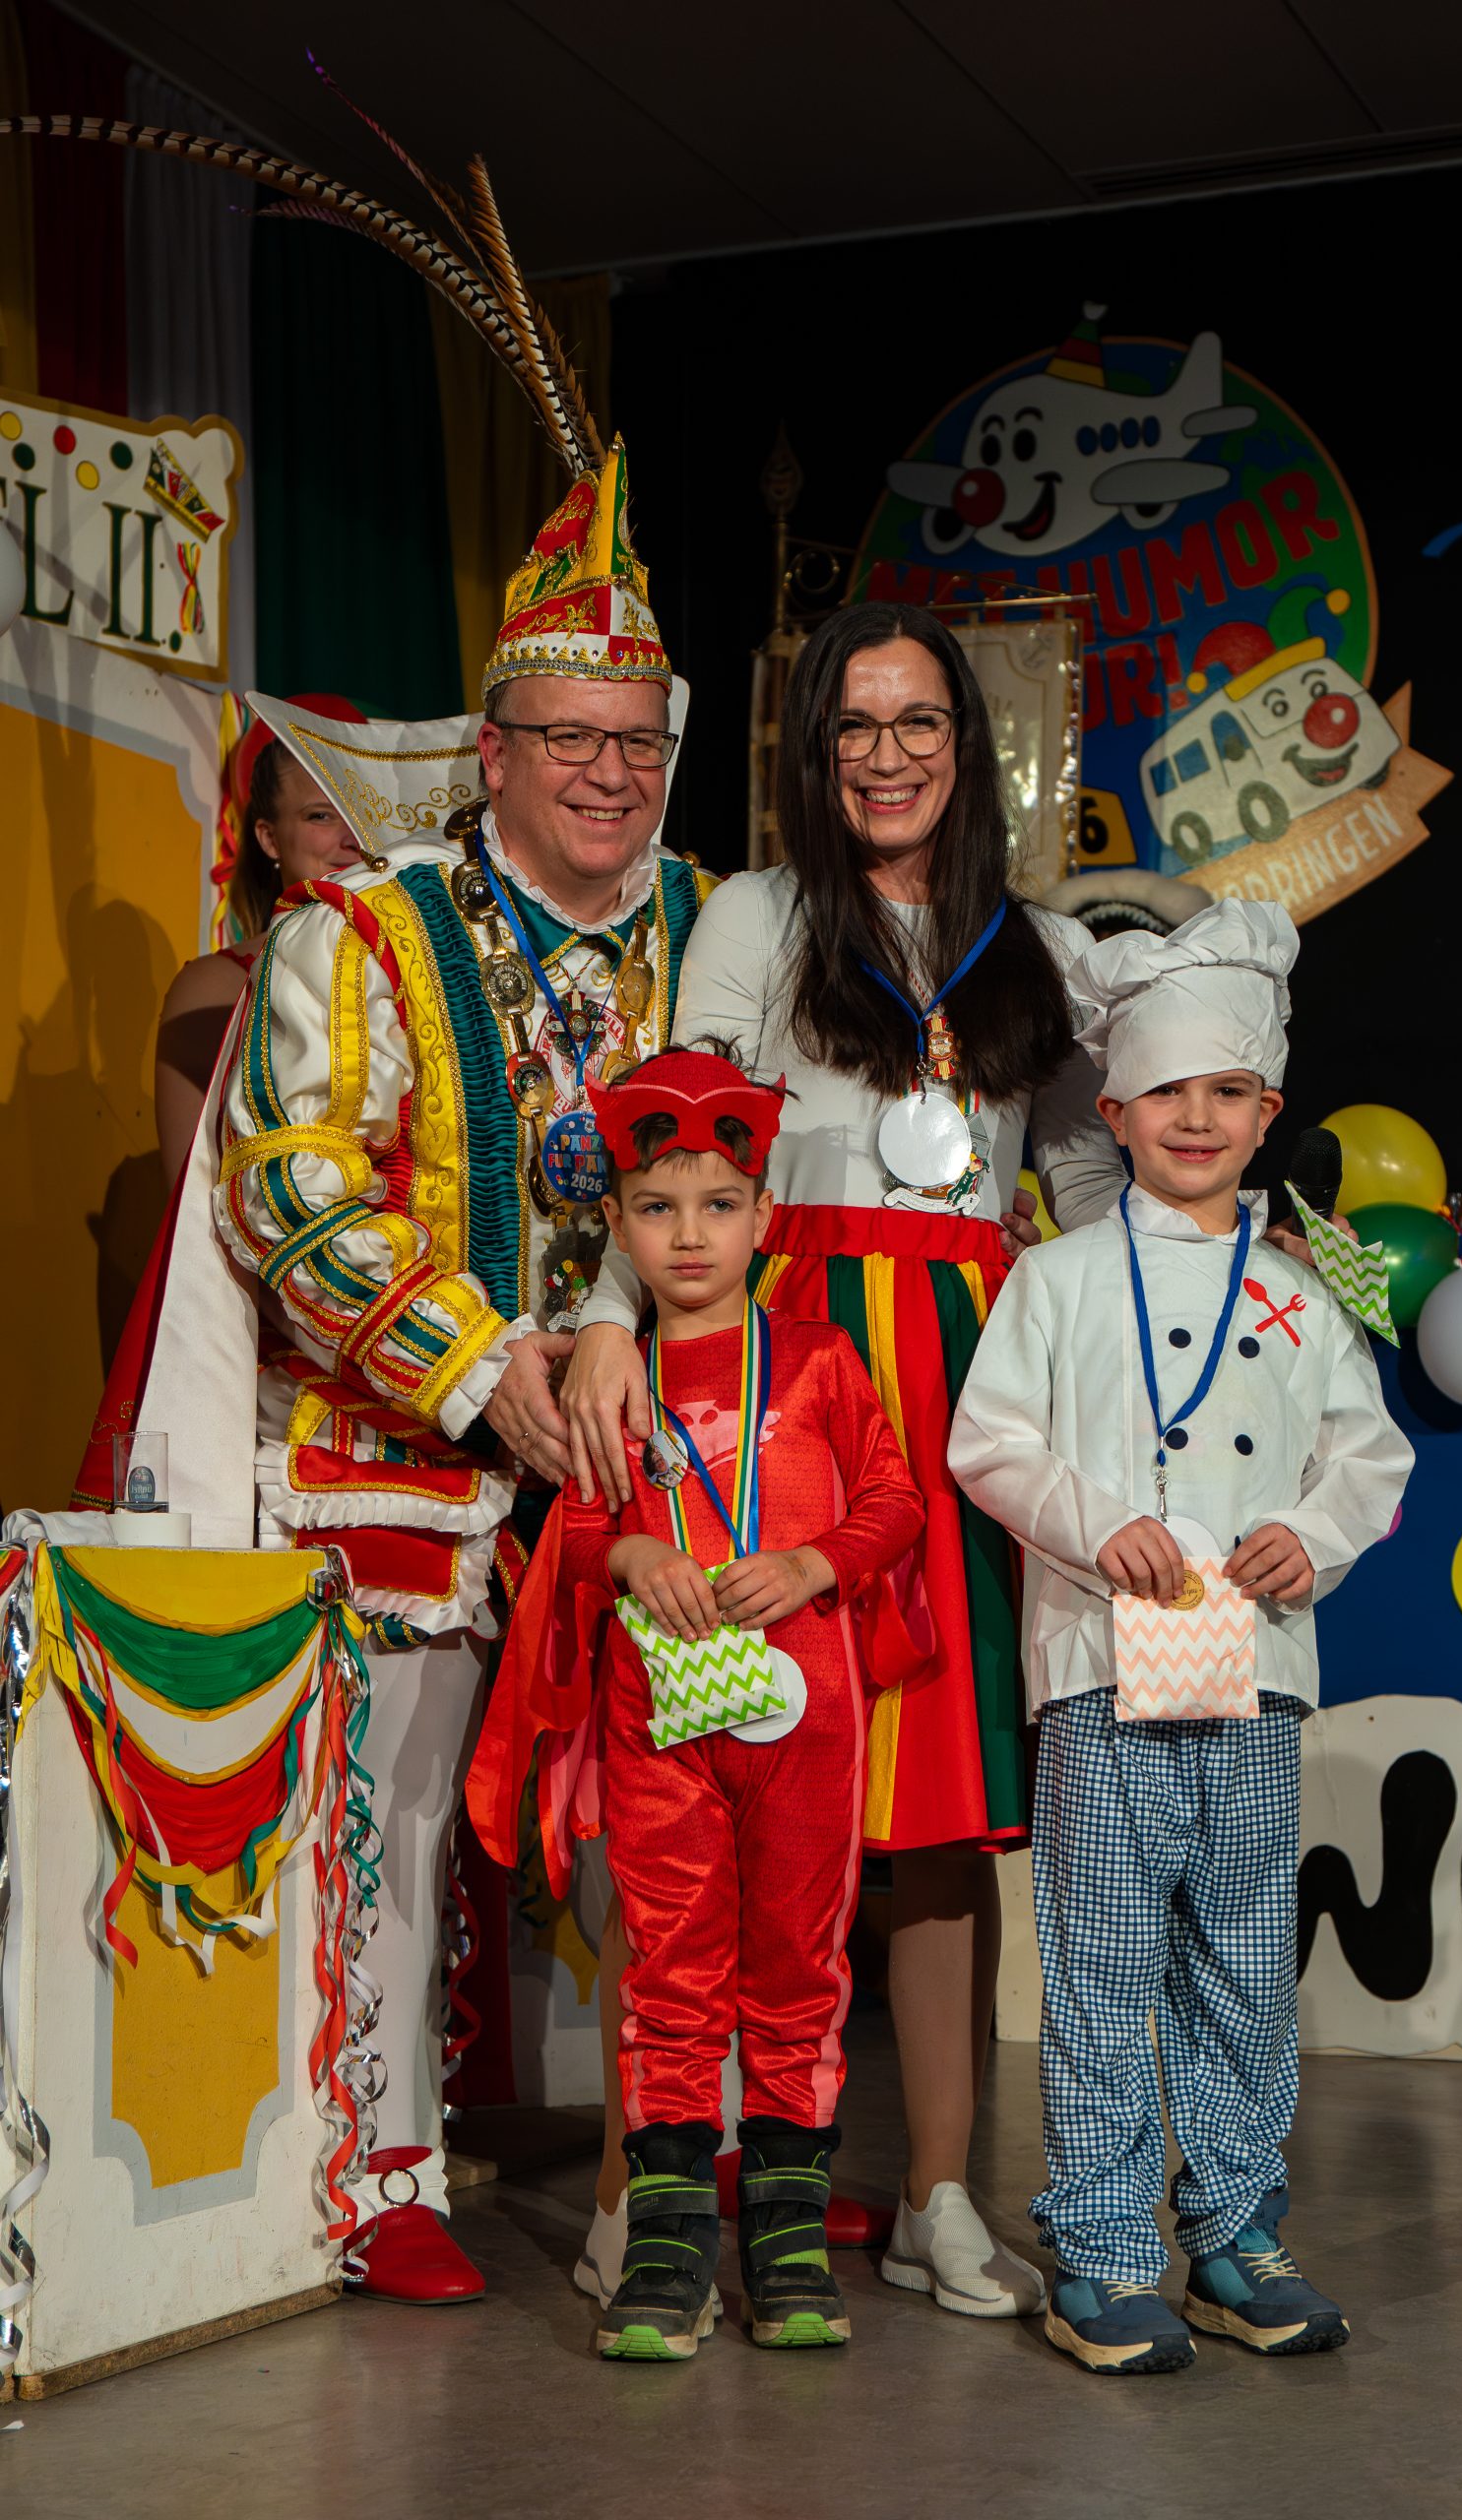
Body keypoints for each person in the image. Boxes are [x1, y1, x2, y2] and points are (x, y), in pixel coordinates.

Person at [563, 601, 1128, 2318]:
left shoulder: (1040, 948)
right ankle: (642, 2190)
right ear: (811, 755)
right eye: (852, 727)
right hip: (778, 1374)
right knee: (704, 1775)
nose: (886, 755)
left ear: (969, 742)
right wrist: (609, 1316)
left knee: (938, 1814)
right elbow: (681, 1124)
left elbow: (1089, 1184)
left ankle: (941, 2192)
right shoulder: (759, 913)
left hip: (961, 1388)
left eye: (917, 721)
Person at [200, 440, 719, 2302]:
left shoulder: (716, 930)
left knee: (676, 1823)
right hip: (405, 1456)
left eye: (636, 741)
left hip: (654, 1457)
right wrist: (484, 1365)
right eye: (569, 736)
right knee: (395, 1827)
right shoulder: (360, 930)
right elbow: (289, 1192)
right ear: (490, 751)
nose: (607, 772)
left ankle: (676, 2166)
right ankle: (379, 2175)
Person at [947, 898, 1413, 2374]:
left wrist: (1311, 1537)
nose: (1195, 1118)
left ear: (1267, 1111)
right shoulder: (1057, 1277)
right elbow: (989, 1442)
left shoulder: (1301, 1291)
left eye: (1226, 1092)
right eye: (1165, 1093)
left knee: (1242, 1957)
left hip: (1254, 1671)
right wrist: (1096, 1524)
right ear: (1113, 1110)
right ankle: (1097, 2250)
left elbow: (1368, 1456)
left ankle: (1231, 2231)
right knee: (1099, 1967)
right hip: (1104, 1670)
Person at [487, 1045, 924, 2360]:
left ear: (762, 1214)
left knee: (799, 1972)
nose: (690, 1235)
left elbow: (894, 1501)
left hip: (808, 1719)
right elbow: (573, 1538)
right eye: (658, 1208)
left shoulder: (817, 1361)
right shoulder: (607, 1380)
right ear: (616, 1227)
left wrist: (810, 1563)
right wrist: (631, 1552)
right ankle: (667, 2252)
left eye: (719, 1204)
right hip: (658, 1723)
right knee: (669, 1978)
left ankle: (785, 2246)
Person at [155, 700, 365, 1188]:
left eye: (360, 810)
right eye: (321, 815)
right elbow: (191, 1200)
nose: (352, 837)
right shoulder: (215, 987)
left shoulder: (430, 965)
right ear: (269, 839)